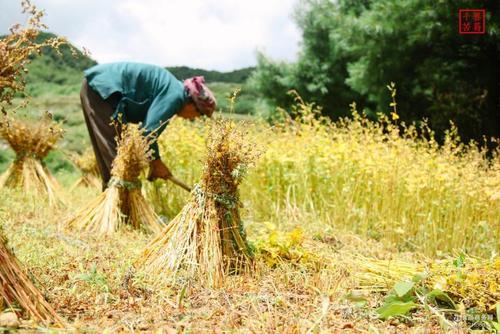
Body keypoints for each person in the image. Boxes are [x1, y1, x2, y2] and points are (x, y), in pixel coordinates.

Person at [80, 62, 216, 190]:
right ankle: (117, 209)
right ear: (192, 104)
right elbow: (147, 133)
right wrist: (157, 163)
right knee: (118, 165)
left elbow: (146, 133)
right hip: (103, 89)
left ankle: (115, 208)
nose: (194, 118)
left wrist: (153, 162)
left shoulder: (174, 92)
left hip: (101, 88)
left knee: (117, 163)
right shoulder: (175, 96)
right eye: (199, 114)